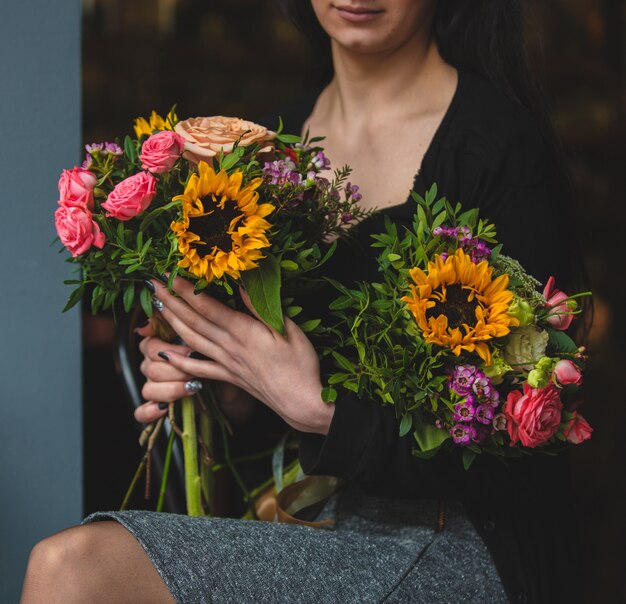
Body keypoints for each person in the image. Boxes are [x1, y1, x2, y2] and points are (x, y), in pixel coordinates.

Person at [21, 1, 583, 602]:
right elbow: (268, 404)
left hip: (453, 539)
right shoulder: (265, 149)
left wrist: (323, 410)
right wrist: (224, 385)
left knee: (74, 569)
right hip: (296, 512)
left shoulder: (500, 148)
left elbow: (526, 446)